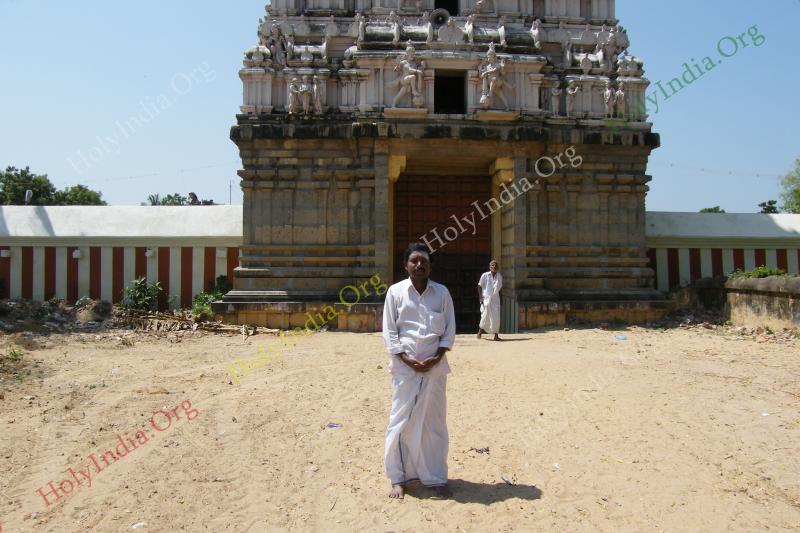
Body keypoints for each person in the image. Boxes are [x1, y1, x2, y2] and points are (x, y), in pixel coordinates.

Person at [383, 242, 456, 500]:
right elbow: (390, 332)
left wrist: (436, 358)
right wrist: (408, 360)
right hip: (405, 370)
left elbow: (448, 331)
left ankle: (435, 478)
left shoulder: (442, 293)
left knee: (433, 424)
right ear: (406, 265)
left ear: (430, 266)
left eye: (423, 261)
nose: (419, 264)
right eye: (414, 260)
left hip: (435, 370)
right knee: (400, 421)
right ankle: (398, 478)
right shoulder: (395, 293)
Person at [477, 260, 502, 341]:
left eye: (495, 265)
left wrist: (501, 299)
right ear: (489, 267)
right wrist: (480, 297)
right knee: (484, 316)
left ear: (498, 267)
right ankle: (480, 332)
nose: (494, 267)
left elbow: (500, 289)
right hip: (486, 299)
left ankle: (496, 336)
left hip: (495, 299)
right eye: (492, 265)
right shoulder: (485, 275)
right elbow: (479, 286)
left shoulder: (499, 276)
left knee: (496, 317)